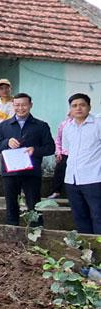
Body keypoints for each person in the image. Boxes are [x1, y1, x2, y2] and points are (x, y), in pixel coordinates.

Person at [0, 93, 54, 226]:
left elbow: (50, 148)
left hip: (31, 173)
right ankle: (12, 236)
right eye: (17, 105)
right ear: (13, 105)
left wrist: (34, 150)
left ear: (30, 105)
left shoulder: (41, 126)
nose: (20, 108)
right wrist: (6, 143)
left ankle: (36, 235)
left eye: (24, 105)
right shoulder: (4, 126)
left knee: (34, 206)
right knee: (11, 205)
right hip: (10, 173)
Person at [61, 93, 101, 234]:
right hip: (72, 180)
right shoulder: (68, 127)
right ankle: (88, 251)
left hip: (94, 178)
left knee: (98, 216)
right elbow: (67, 149)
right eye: (74, 106)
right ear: (70, 109)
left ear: (89, 107)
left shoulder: (98, 124)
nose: (78, 108)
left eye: (82, 105)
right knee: (80, 217)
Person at [48, 111, 73, 199]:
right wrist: (58, 152)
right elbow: (58, 139)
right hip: (65, 153)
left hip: (79, 154)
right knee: (59, 171)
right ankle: (56, 191)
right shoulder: (64, 124)